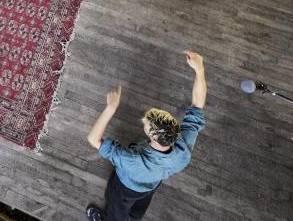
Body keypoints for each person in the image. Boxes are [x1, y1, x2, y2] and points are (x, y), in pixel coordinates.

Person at [84, 51, 206, 221]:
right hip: (151, 185)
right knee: (141, 205)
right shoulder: (183, 152)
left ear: (153, 137)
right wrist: (199, 70)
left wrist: (110, 108)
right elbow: (197, 105)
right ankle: (134, 218)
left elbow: (93, 139)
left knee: (116, 209)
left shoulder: (132, 161)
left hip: (125, 188)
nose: (144, 122)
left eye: (146, 126)